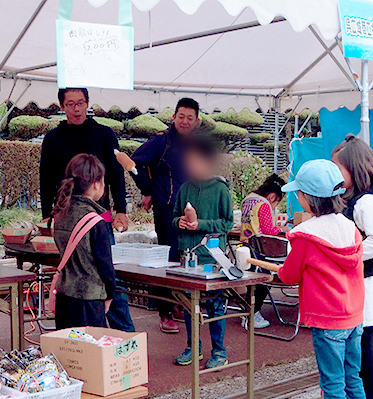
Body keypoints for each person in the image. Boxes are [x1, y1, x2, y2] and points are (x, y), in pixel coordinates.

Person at [277, 159, 372, 399]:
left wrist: (280, 269)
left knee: (331, 383)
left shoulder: (305, 235)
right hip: (353, 315)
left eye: (300, 193)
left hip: (327, 319)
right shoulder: (352, 229)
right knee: (351, 377)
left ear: (307, 197)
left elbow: (289, 276)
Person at [40, 87, 134, 332]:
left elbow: (116, 174)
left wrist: (121, 209)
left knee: (108, 274)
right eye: (70, 104)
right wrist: (46, 215)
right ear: (62, 106)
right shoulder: (53, 138)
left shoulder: (104, 134)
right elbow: (45, 179)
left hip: (98, 217)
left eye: (80, 103)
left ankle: (126, 337)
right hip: (66, 216)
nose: (76, 109)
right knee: (74, 277)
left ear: (88, 103)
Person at [332, 135, 373, 399]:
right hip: (363, 281)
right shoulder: (357, 198)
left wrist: (346, 255)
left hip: (367, 282)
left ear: (354, 169)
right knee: (360, 343)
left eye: (338, 169)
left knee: (365, 343)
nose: (335, 174)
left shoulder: (366, 201)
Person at [132, 98, 201, 334]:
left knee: (188, 255)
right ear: (174, 117)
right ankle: (165, 312)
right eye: (180, 116)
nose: (184, 121)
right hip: (167, 208)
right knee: (168, 256)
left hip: (191, 210)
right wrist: (147, 190)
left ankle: (179, 304)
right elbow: (134, 162)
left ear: (197, 121)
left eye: (189, 118)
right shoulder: (161, 140)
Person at [172, 135, 233, 369]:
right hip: (188, 257)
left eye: (194, 160)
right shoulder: (185, 188)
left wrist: (202, 225)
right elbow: (175, 215)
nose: (189, 165)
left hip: (212, 260)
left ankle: (219, 350)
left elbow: (227, 224)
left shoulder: (220, 190)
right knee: (189, 305)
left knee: (216, 305)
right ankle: (193, 346)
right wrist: (180, 222)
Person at [50, 154, 115, 329]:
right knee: (90, 351)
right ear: (96, 184)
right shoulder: (95, 221)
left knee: (66, 349)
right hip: (90, 298)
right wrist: (110, 294)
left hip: (64, 294)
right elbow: (105, 265)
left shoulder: (60, 215)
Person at [239, 173, 288, 329]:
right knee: (263, 280)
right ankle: (253, 314)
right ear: (272, 197)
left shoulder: (248, 199)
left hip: (246, 245)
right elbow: (268, 229)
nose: (274, 208)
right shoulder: (264, 204)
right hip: (260, 249)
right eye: (276, 204)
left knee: (251, 281)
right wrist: (282, 229)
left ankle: (247, 312)